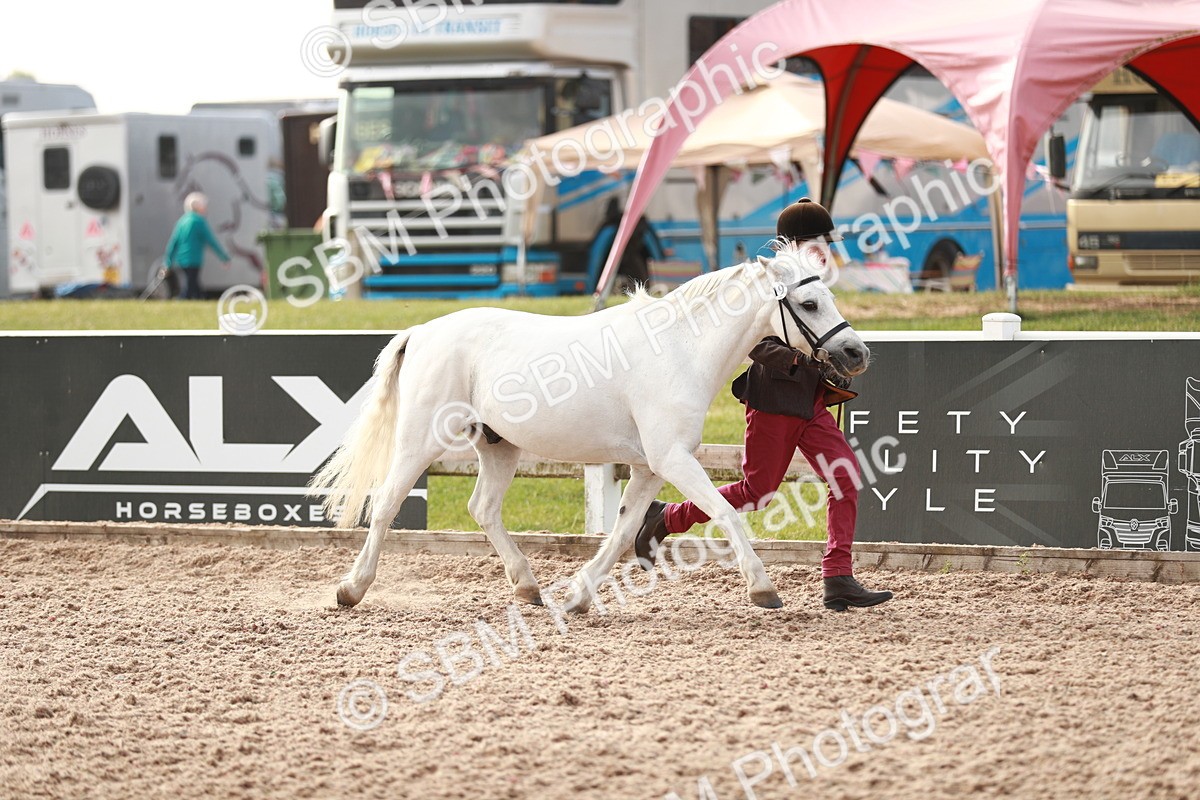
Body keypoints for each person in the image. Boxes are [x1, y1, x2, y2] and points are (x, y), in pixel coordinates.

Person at [634, 197, 893, 612]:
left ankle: (838, 577)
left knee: (846, 476)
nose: (829, 250)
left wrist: (833, 364)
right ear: (797, 243)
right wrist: (807, 359)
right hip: (773, 401)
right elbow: (755, 342)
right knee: (758, 494)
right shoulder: (765, 285)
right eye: (821, 241)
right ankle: (666, 518)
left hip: (811, 405)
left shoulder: (813, 282)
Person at [164, 192, 231, 299]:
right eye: (204, 205)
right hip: (193, 259)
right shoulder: (198, 221)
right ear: (197, 206)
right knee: (190, 288)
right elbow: (211, 241)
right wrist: (224, 257)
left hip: (181, 260)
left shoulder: (182, 221)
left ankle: (200, 299)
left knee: (194, 286)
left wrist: (168, 262)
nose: (206, 208)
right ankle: (181, 302)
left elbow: (173, 243)